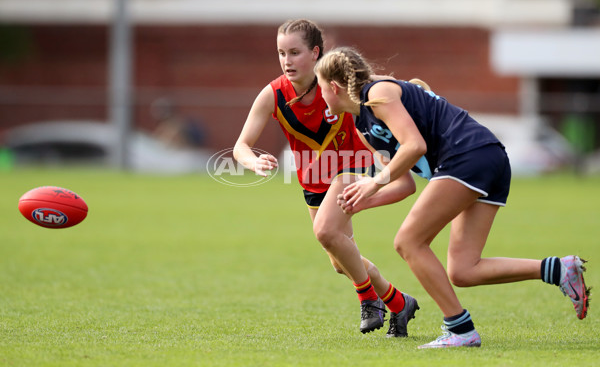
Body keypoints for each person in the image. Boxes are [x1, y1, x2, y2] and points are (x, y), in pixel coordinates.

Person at [314, 46, 590, 348]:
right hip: (485, 158)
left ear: (334, 87)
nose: (320, 96)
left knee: (408, 242)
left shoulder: (378, 94)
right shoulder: (363, 126)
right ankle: (560, 269)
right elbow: (405, 184)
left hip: (468, 155)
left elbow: (414, 146)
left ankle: (460, 330)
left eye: (320, 87)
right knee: (463, 269)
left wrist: (374, 183)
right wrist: (364, 200)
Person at [233, 20, 420, 337]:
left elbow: (381, 89)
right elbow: (240, 146)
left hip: (352, 171)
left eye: (295, 52)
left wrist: (415, 98)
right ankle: (399, 302)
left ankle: (369, 299)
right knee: (340, 261)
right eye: (281, 53)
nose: (287, 60)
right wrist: (253, 162)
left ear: (315, 52)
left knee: (334, 242)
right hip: (313, 183)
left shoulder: (337, 83)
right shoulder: (274, 94)